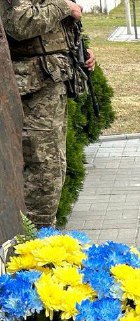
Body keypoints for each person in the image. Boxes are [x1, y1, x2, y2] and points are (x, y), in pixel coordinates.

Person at [2, 0, 95, 228]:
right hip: (31, 92)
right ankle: (31, 241)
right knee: (42, 171)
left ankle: (42, 239)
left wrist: (80, 50)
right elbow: (18, 23)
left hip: (49, 87)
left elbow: (52, 32)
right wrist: (64, 7)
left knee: (53, 169)